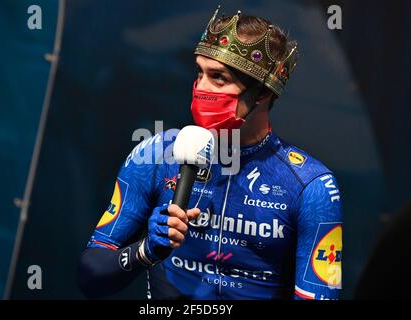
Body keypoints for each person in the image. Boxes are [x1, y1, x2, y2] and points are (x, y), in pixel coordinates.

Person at [78, 7, 343, 300]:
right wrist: (145, 250)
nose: (201, 87)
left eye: (218, 77)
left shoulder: (310, 185)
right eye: (199, 72)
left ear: (262, 93)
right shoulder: (156, 155)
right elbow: (90, 277)